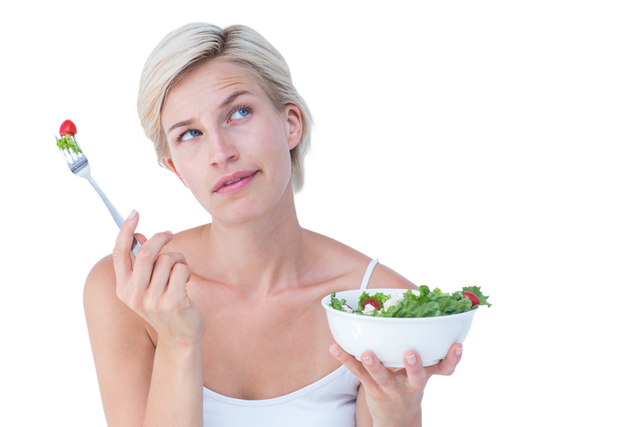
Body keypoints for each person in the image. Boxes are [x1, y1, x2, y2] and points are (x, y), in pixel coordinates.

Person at [81, 18, 466, 427]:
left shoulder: (380, 303)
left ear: (290, 124)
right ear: (176, 169)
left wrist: (400, 414)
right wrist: (178, 339)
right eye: (190, 133)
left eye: (239, 112)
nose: (221, 151)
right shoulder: (123, 292)